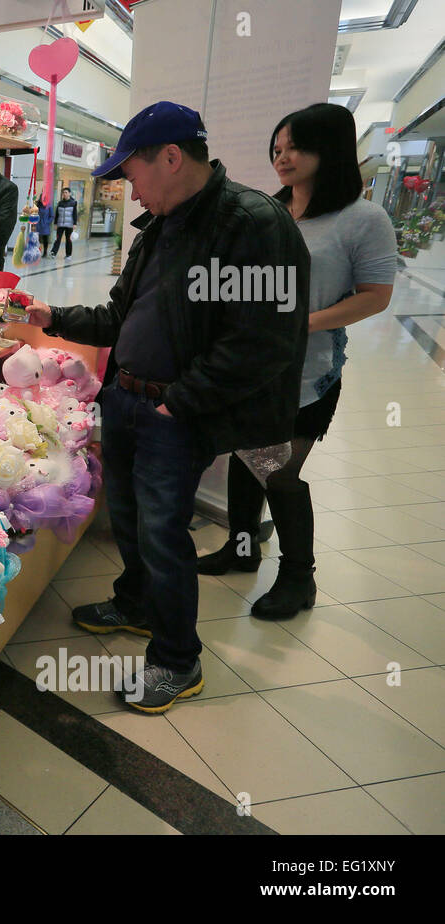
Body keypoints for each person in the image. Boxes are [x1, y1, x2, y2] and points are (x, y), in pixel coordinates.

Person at [22, 101, 310, 713]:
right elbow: (123, 315)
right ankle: (135, 604)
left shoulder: (252, 224)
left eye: (132, 175)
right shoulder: (160, 228)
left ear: (172, 157)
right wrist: (58, 318)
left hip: (172, 416)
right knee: (127, 517)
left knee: (162, 533)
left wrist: (182, 401)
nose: (130, 191)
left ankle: (178, 660)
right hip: (125, 398)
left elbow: (265, 342)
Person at [197, 103, 397, 617]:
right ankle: (242, 550)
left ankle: (298, 578)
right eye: (278, 147)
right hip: (251, 362)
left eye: (295, 147)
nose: (282, 157)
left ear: (328, 149)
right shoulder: (268, 210)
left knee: (281, 471)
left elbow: (376, 294)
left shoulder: (363, 218)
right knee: (244, 455)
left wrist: (301, 322)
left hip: (310, 371)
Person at [50, 187, 77, 257]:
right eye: (63, 193)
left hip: (69, 224)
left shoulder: (73, 203)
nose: (64, 194)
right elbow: (57, 214)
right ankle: (53, 253)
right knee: (57, 239)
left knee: (68, 240)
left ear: (69, 194)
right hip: (60, 224)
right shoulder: (60, 203)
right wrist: (55, 223)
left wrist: (75, 223)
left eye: (66, 192)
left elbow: (75, 214)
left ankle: (68, 255)